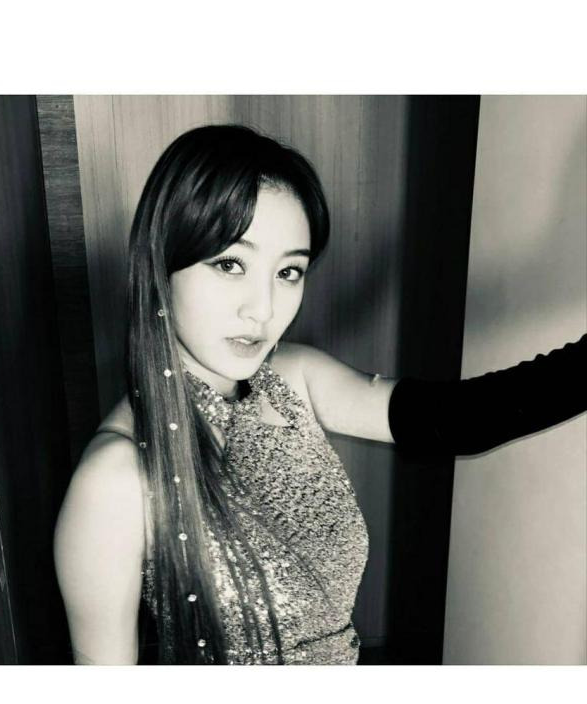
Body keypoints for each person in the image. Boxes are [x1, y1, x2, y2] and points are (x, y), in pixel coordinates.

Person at [53, 124, 586, 665]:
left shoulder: (295, 377)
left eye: (289, 271)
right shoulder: (115, 479)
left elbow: (461, 418)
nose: (263, 309)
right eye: (230, 264)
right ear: (161, 262)